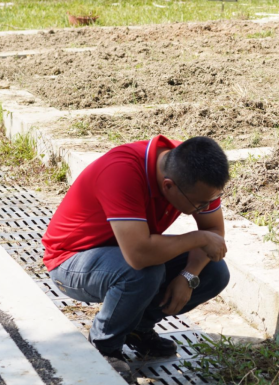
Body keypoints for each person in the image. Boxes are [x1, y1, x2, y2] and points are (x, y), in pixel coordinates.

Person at [42, 135, 231, 382]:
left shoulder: (194, 169)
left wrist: (188, 276)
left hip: (126, 253)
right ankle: (104, 346)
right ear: (168, 186)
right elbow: (139, 255)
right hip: (71, 261)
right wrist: (198, 238)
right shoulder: (122, 172)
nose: (205, 207)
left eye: (210, 200)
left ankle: (139, 329)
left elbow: (214, 233)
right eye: (199, 204)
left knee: (214, 272)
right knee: (143, 272)